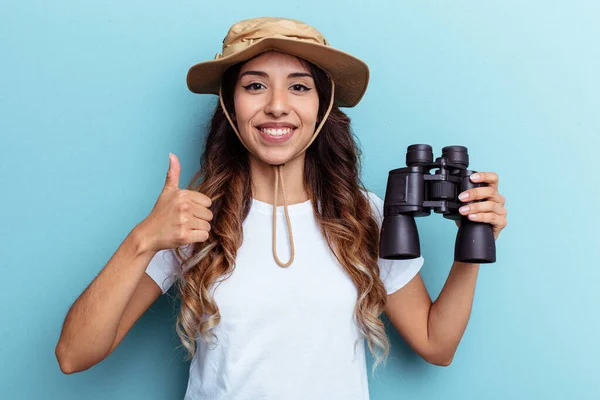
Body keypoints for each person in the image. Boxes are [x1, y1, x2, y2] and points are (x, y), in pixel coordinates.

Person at [55, 17, 508, 400]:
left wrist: (475, 243)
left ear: (321, 105)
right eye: (255, 86)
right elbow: (74, 355)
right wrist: (142, 240)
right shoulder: (193, 219)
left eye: (298, 86)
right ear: (231, 106)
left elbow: (436, 343)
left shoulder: (363, 215)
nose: (276, 106)